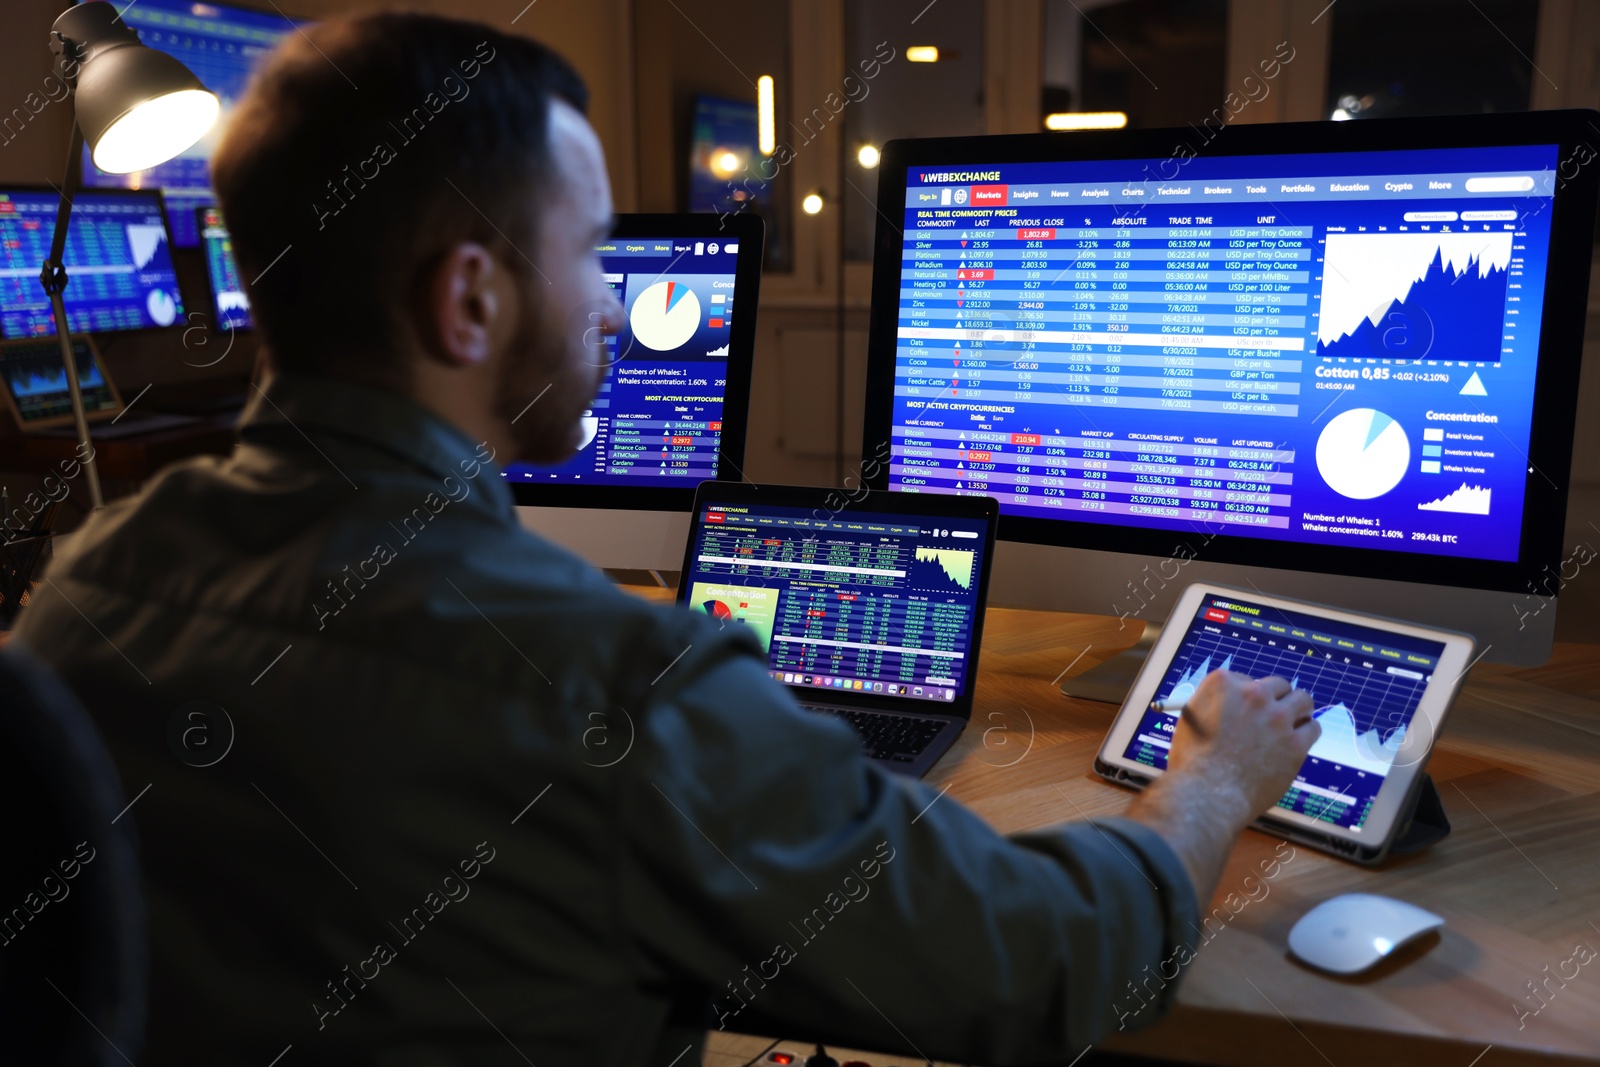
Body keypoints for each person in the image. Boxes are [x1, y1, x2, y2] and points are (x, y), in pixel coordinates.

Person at [14, 11, 1319, 1065]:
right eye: (590, 255)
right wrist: (1209, 781)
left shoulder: (83, 592)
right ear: (469, 298)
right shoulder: (612, 688)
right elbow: (1034, 970)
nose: (608, 304)